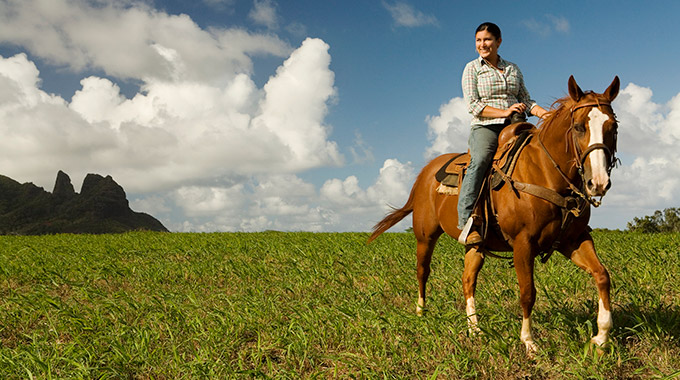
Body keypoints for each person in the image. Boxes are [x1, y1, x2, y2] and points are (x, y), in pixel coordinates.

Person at [458, 22, 549, 245]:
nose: (482, 44)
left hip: (516, 124)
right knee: (479, 161)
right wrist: (504, 110)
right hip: (486, 125)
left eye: (487, 39)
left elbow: (526, 100)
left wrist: (546, 114)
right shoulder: (472, 68)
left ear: (498, 41)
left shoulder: (513, 68)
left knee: (543, 155)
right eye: (478, 40)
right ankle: (466, 221)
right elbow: (474, 105)